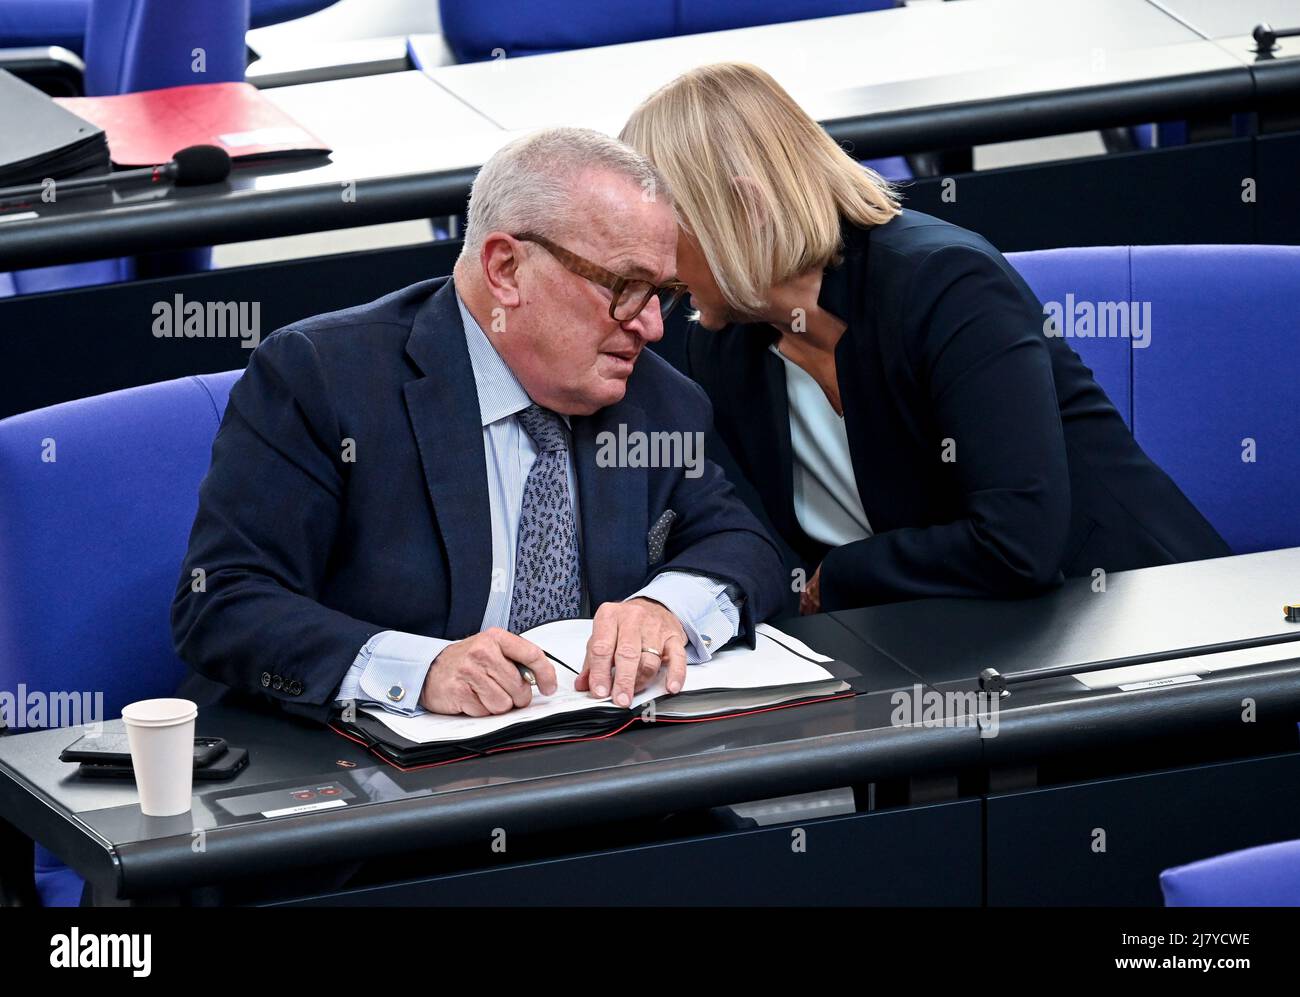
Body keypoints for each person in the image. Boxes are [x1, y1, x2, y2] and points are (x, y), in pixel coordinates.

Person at [171, 126, 786, 721]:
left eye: (663, 292)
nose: (651, 326)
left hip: (598, 770)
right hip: (380, 784)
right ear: (506, 270)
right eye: (625, 286)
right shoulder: (324, 379)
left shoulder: (655, 398)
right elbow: (224, 602)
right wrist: (422, 669)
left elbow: (745, 546)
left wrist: (665, 608)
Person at [620, 62, 1231, 614]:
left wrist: (842, 578)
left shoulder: (945, 283)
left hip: (1127, 621)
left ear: (743, 209)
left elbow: (1018, 543)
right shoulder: (721, 342)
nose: (643, 263)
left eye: (657, 227)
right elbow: (760, 537)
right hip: (935, 643)